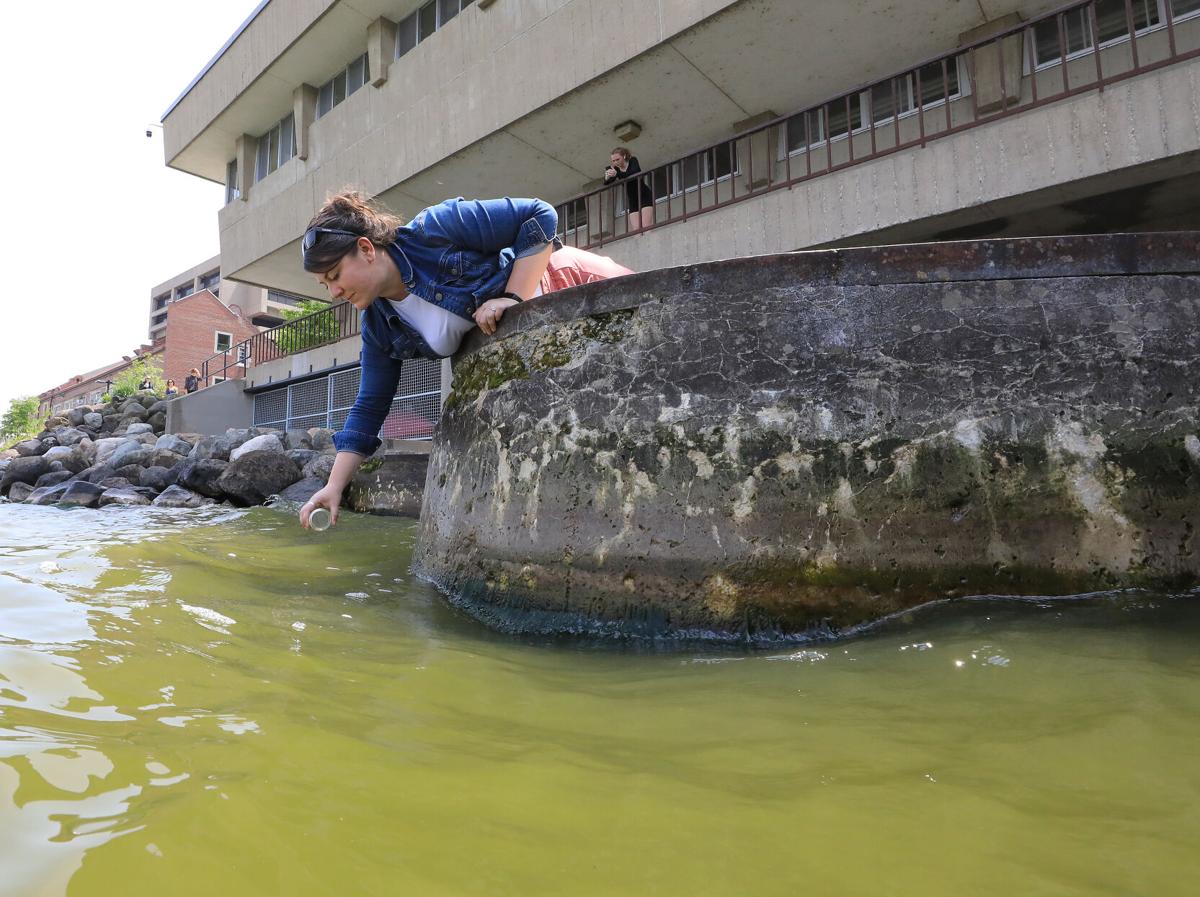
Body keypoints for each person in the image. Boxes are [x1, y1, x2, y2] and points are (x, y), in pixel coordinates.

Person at [297, 191, 633, 529]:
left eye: (336, 275)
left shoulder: (435, 229)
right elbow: (370, 404)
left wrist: (512, 298)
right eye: (326, 285)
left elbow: (538, 215)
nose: (334, 293)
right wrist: (333, 486)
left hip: (570, 280)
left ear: (367, 249)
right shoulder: (378, 325)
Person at [603, 147, 654, 233]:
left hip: (644, 195)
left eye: (617, 159)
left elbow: (634, 172)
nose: (615, 162)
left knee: (646, 226)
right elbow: (607, 182)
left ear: (624, 156)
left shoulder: (633, 161)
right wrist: (607, 177)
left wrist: (618, 174)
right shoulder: (615, 169)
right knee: (636, 229)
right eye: (613, 161)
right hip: (632, 199)